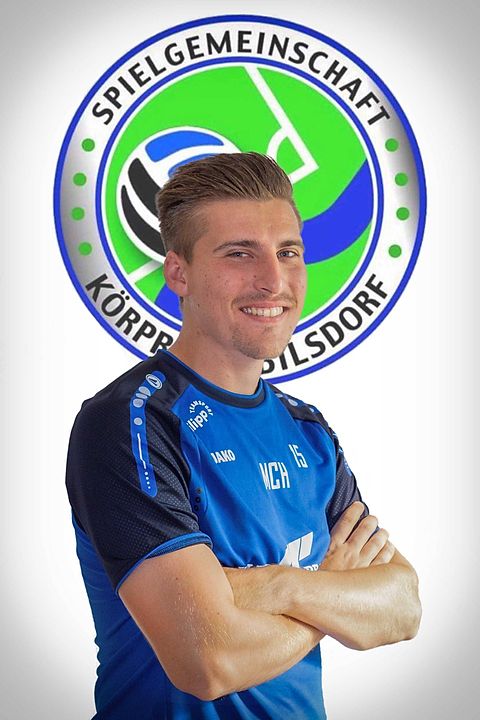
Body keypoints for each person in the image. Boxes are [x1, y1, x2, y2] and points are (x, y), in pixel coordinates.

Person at [66, 152, 421, 720]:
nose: (273, 281)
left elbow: (401, 606)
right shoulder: (131, 422)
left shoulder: (308, 430)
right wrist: (332, 594)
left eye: (288, 252)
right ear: (178, 273)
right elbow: (209, 661)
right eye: (239, 254)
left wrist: (279, 587)